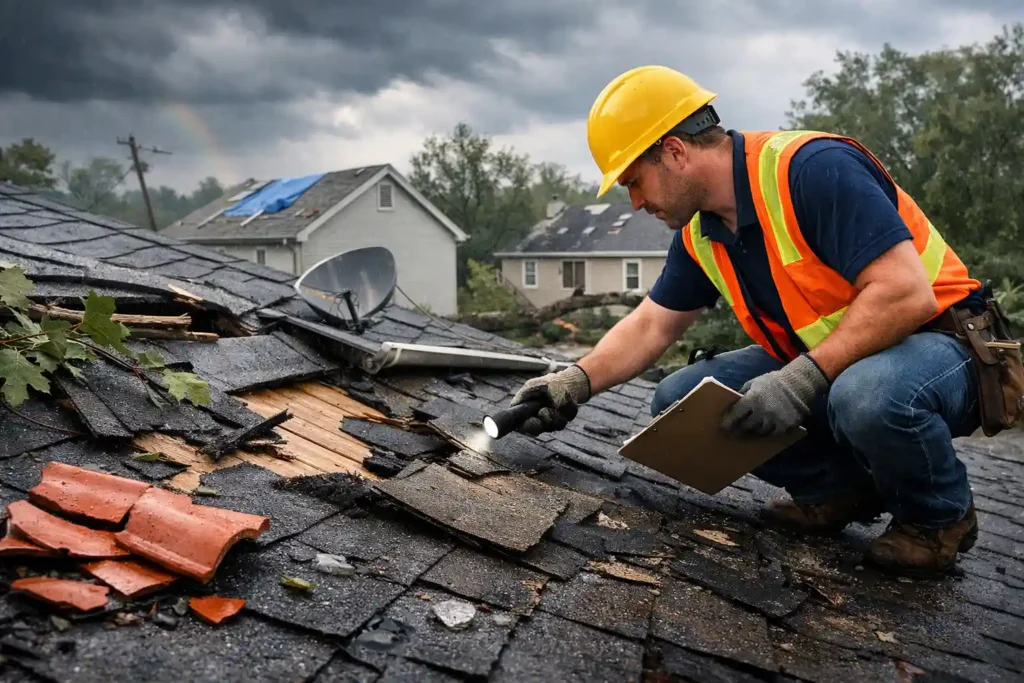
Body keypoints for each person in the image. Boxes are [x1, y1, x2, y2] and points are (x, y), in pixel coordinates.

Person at [509, 64, 991, 576]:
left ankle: (938, 518)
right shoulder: (701, 234)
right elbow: (652, 325)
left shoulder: (813, 169)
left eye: (634, 181)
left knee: (867, 394)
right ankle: (838, 491)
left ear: (675, 151)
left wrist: (799, 379)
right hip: (848, 360)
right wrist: (575, 382)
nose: (635, 201)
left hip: (942, 345)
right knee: (683, 399)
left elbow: (906, 294)